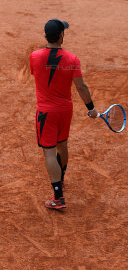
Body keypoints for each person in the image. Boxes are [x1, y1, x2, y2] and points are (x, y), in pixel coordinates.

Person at [30, 19, 98, 210]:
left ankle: (58, 197)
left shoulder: (34, 57)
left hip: (46, 112)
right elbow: (81, 87)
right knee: (62, 145)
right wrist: (91, 108)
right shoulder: (72, 59)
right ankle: (61, 177)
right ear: (61, 35)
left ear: (46, 35)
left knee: (49, 152)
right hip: (65, 110)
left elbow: (38, 73)